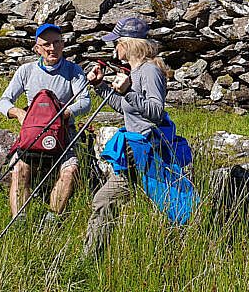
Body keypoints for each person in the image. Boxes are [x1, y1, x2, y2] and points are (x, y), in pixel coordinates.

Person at [82, 17, 193, 258]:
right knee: (104, 201)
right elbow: (124, 107)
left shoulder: (150, 71)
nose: (114, 49)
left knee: (164, 206)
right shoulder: (136, 70)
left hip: (149, 153)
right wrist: (100, 86)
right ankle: (91, 258)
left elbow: (155, 112)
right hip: (134, 153)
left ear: (128, 44)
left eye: (117, 43)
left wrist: (129, 92)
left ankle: (178, 252)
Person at [0, 23, 91, 223]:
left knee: (70, 169)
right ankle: (19, 220)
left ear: (63, 44)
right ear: (37, 48)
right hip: (33, 133)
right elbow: (3, 102)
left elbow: (84, 102)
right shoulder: (26, 71)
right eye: (46, 44)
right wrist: (20, 114)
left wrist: (64, 114)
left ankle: (52, 219)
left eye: (56, 42)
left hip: (64, 133)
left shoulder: (73, 71)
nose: (52, 48)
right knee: (19, 168)